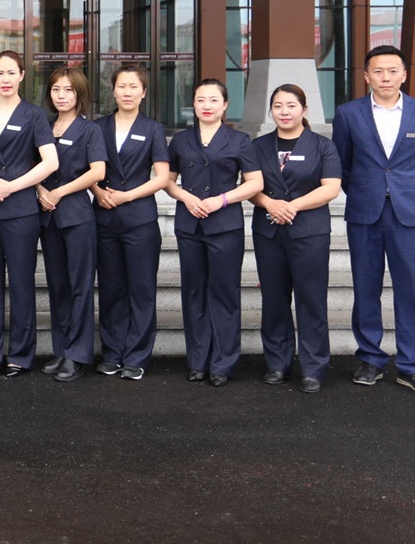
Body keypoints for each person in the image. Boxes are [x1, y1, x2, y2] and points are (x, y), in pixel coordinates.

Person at [332, 45, 415, 395]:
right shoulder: (348, 114)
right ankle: (370, 359)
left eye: (392, 70)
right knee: (366, 287)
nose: (386, 77)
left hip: (409, 214)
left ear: (404, 75)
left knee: (412, 289)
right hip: (364, 212)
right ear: (366, 76)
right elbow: (342, 165)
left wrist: (411, 197)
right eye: (378, 71)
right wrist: (365, 192)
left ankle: (413, 366)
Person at [165, 78, 263, 388]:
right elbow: (167, 181)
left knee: (224, 293)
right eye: (200, 100)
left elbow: (255, 183)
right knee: (193, 292)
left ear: (225, 105)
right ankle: (197, 361)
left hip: (225, 225)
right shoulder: (180, 140)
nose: (207, 106)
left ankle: (223, 363)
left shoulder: (239, 140)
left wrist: (222, 199)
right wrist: (186, 197)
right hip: (189, 224)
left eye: (213, 100)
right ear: (193, 105)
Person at [0, 50, 58, 379]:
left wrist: (13, 186)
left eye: (11, 73)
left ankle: (20, 356)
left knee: (21, 284)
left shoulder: (34, 115)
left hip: (20, 209)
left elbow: (51, 162)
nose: (5, 79)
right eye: (0, 73)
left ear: (22, 75)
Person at [251, 84, 342, 393]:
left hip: (310, 232)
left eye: (291, 105)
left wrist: (292, 206)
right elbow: (249, 186)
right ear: (271, 110)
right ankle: (278, 363)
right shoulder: (258, 146)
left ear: (304, 109)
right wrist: (269, 203)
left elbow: (330, 188)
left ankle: (313, 367)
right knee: (274, 299)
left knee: (311, 299)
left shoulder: (322, 146)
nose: (284, 111)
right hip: (269, 231)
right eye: (278, 106)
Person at [93, 65, 171, 380]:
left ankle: (137, 356)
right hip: (104, 217)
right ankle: (112, 353)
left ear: (144, 92)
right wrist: (97, 191)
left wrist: (128, 196)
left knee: (141, 289)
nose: (127, 92)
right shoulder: (98, 127)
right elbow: (87, 168)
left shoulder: (153, 129)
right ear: (113, 91)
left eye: (133, 86)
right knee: (111, 288)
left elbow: (162, 177)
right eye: (122, 86)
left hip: (140, 219)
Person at [36, 67, 106, 382]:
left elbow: (98, 172)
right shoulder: (44, 126)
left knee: (80, 287)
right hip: (48, 216)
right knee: (58, 286)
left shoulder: (89, 130)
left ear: (80, 94)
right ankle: (61, 350)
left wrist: (59, 191)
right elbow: (33, 166)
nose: (61, 95)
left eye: (68, 90)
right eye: (56, 89)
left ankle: (77, 355)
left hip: (77, 215)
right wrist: (41, 190)